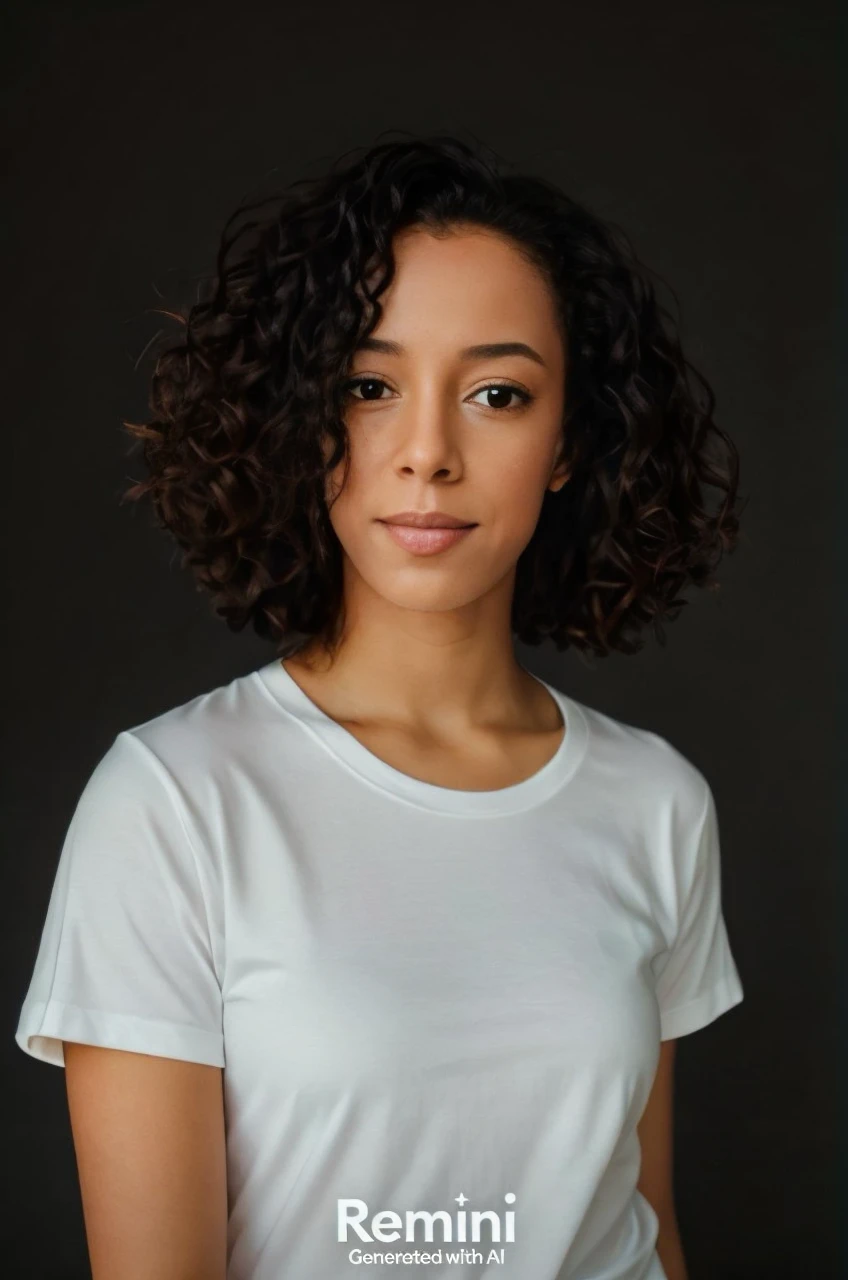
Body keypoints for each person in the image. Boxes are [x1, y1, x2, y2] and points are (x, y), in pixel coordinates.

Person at [15, 132, 745, 1280]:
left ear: (565, 444)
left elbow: (637, 1214)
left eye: (497, 393)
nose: (425, 453)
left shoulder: (653, 798)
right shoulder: (174, 801)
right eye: (368, 386)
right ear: (304, 420)